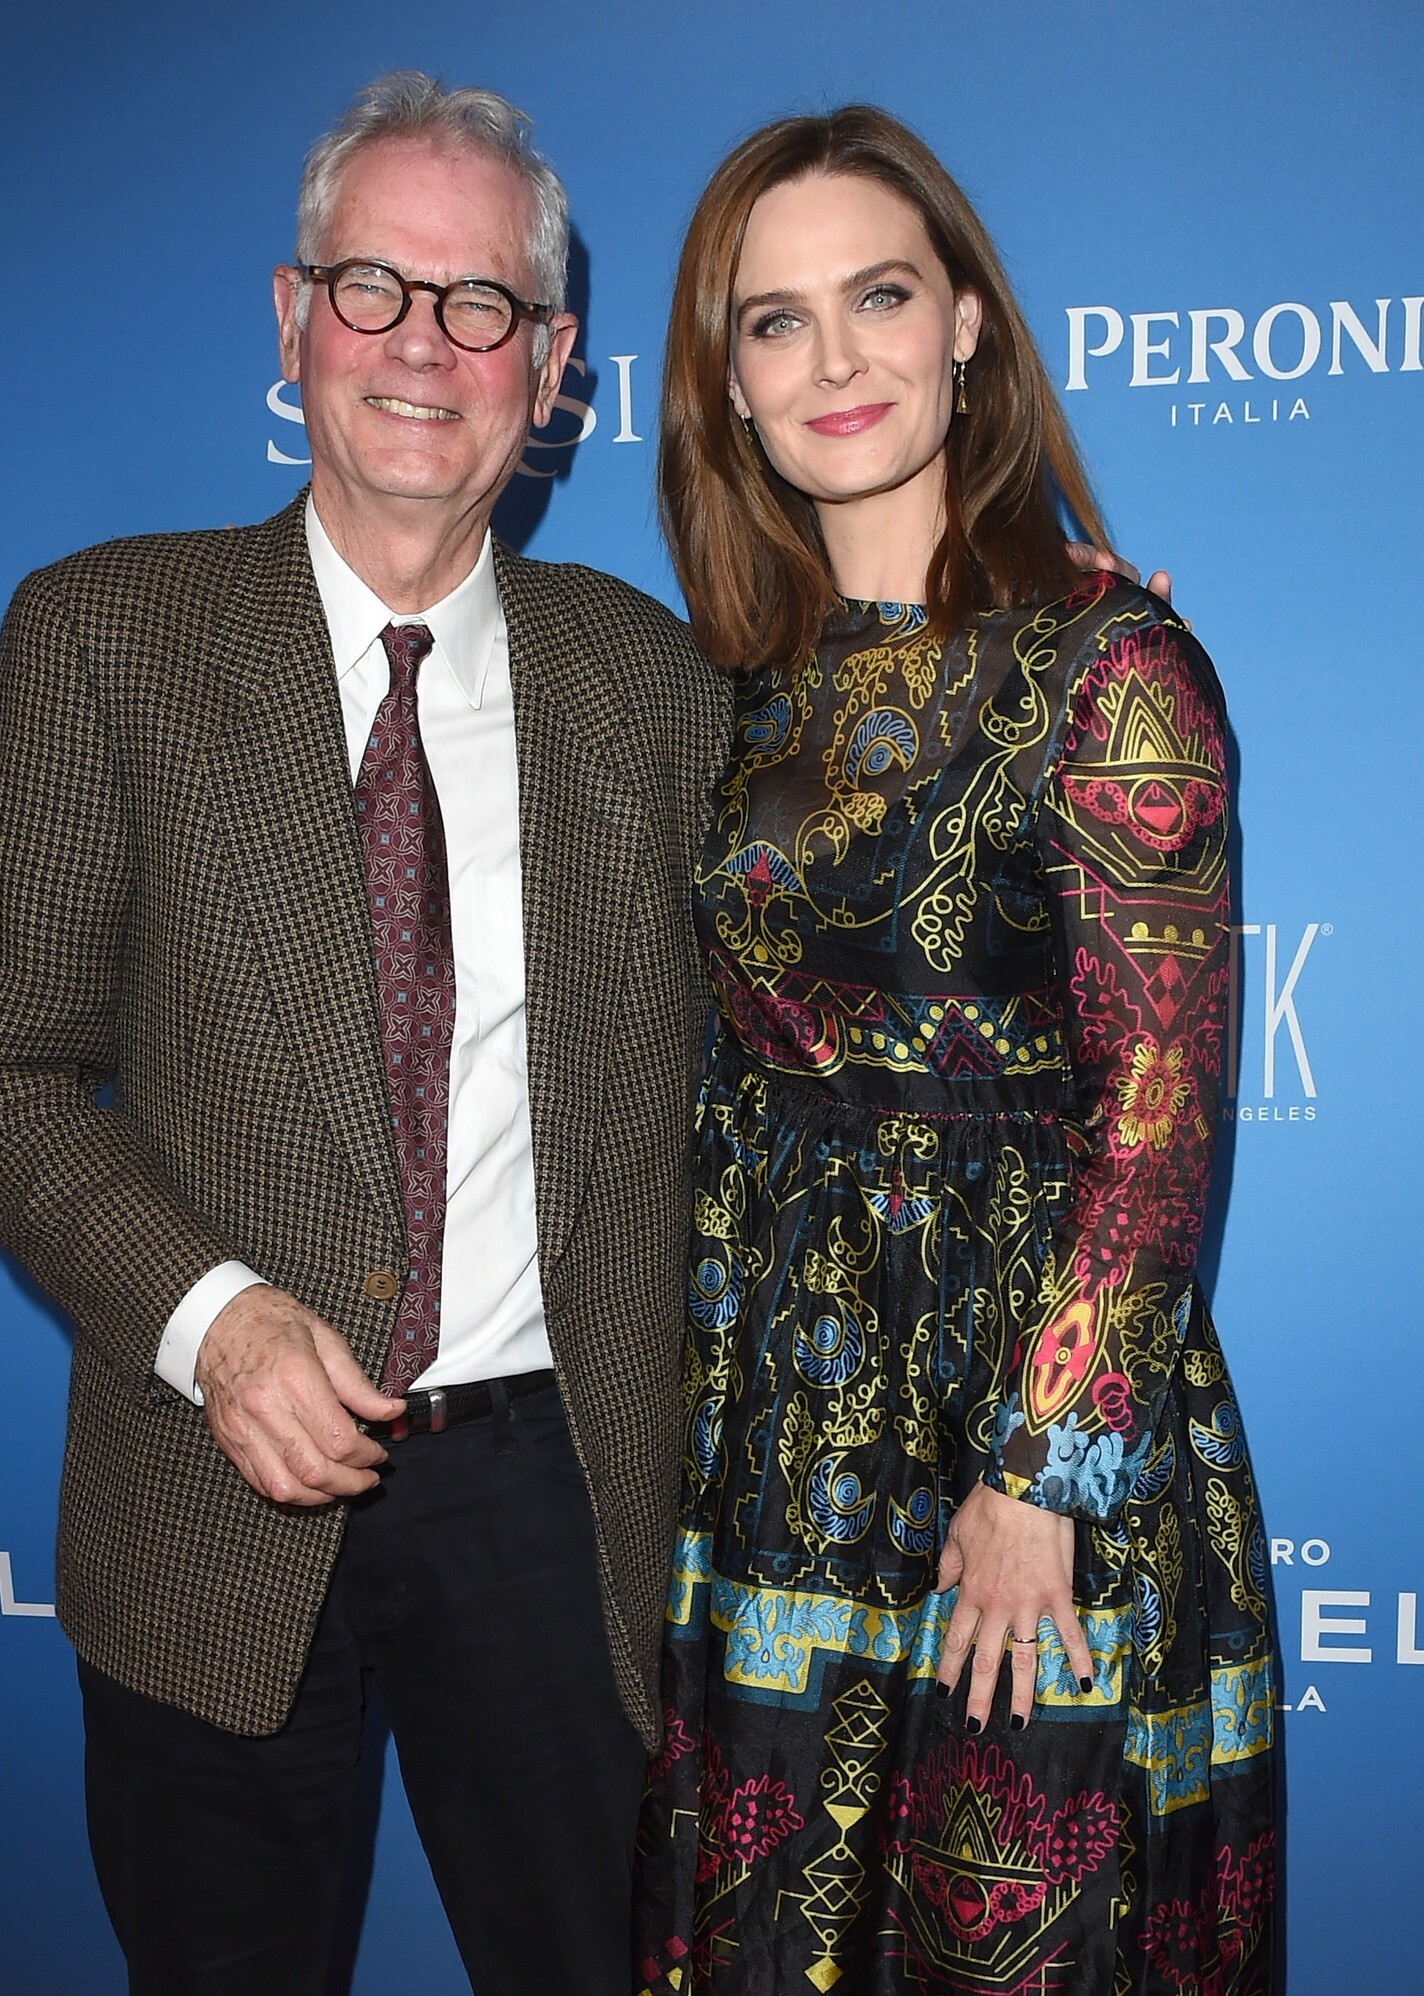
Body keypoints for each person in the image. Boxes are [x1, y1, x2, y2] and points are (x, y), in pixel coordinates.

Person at [0, 72, 732, 1996]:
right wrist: (214, 1319)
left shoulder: (657, 684)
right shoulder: (107, 640)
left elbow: (855, 893)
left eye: (481, 303)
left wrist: (1045, 643)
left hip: (561, 1499)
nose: (422, 344)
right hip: (203, 1486)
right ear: (293, 320)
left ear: (552, 367)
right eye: (375, 286)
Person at [632, 107, 1276, 1994]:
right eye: (774, 321)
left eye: (882, 297)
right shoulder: (731, 684)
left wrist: (1044, 1479)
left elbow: (1160, 1119)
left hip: (1023, 1432)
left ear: (969, 325)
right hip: (780, 1421)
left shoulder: (1108, 663)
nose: (834, 360)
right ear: (725, 383)